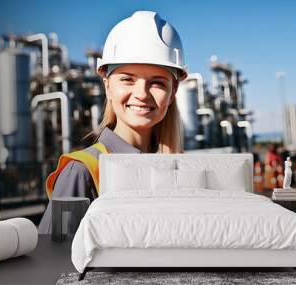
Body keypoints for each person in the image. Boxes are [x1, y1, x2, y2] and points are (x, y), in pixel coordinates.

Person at [38, 11, 188, 234]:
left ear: (173, 91)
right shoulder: (82, 172)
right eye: (127, 79)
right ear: (107, 85)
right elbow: (53, 260)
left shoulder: (181, 170)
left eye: (157, 83)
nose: (142, 94)